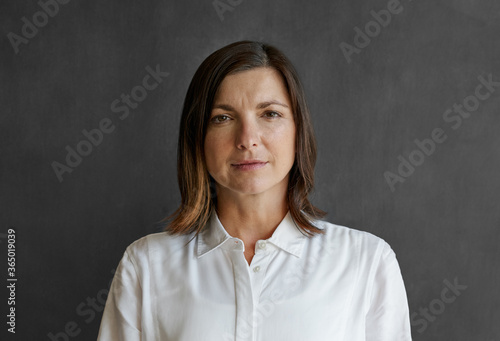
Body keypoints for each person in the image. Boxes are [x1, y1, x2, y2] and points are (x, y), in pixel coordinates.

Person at [97, 41, 412, 340]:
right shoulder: (146, 265)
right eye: (222, 118)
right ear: (199, 138)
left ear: (298, 131)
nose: (247, 138)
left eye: (270, 114)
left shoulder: (366, 263)